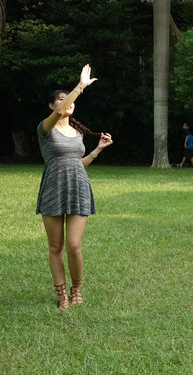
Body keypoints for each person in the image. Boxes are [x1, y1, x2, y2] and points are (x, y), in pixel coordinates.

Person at [36, 64, 113, 309]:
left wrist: (98, 150)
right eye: (61, 99)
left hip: (78, 187)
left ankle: (77, 288)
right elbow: (59, 114)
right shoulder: (45, 128)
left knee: (74, 246)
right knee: (56, 247)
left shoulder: (77, 132)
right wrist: (80, 86)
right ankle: (61, 294)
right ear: (52, 106)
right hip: (53, 189)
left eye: (69, 99)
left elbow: (78, 164)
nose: (68, 102)